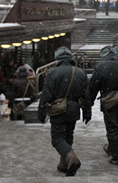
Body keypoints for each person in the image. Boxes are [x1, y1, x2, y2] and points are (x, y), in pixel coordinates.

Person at [37, 47, 91, 177]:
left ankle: (72, 159)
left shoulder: (53, 73)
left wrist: (41, 111)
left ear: (58, 59)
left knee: (57, 139)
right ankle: (63, 164)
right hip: (74, 109)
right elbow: (86, 95)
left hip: (58, 109)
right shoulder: (80, 72)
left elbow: (46, 94)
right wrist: (87, 112)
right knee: (68, 135)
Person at [88, 46, 118, 165]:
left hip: (108, 101)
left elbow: (93, 87)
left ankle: (115, 155)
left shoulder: (101, 66)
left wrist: (89, 103)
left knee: (112, 128)